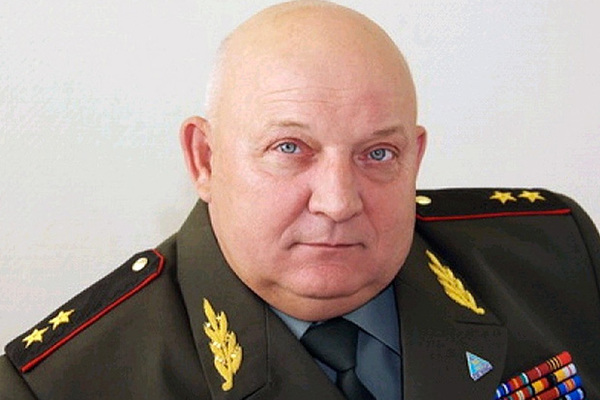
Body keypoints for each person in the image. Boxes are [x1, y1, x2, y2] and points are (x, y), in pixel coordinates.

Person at [1, 1, 599, 399]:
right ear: (205, 159)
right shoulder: (61, 385)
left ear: (415, 157)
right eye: (290, 148)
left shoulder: (555, 257)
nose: (338, 202)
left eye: (378, 153)